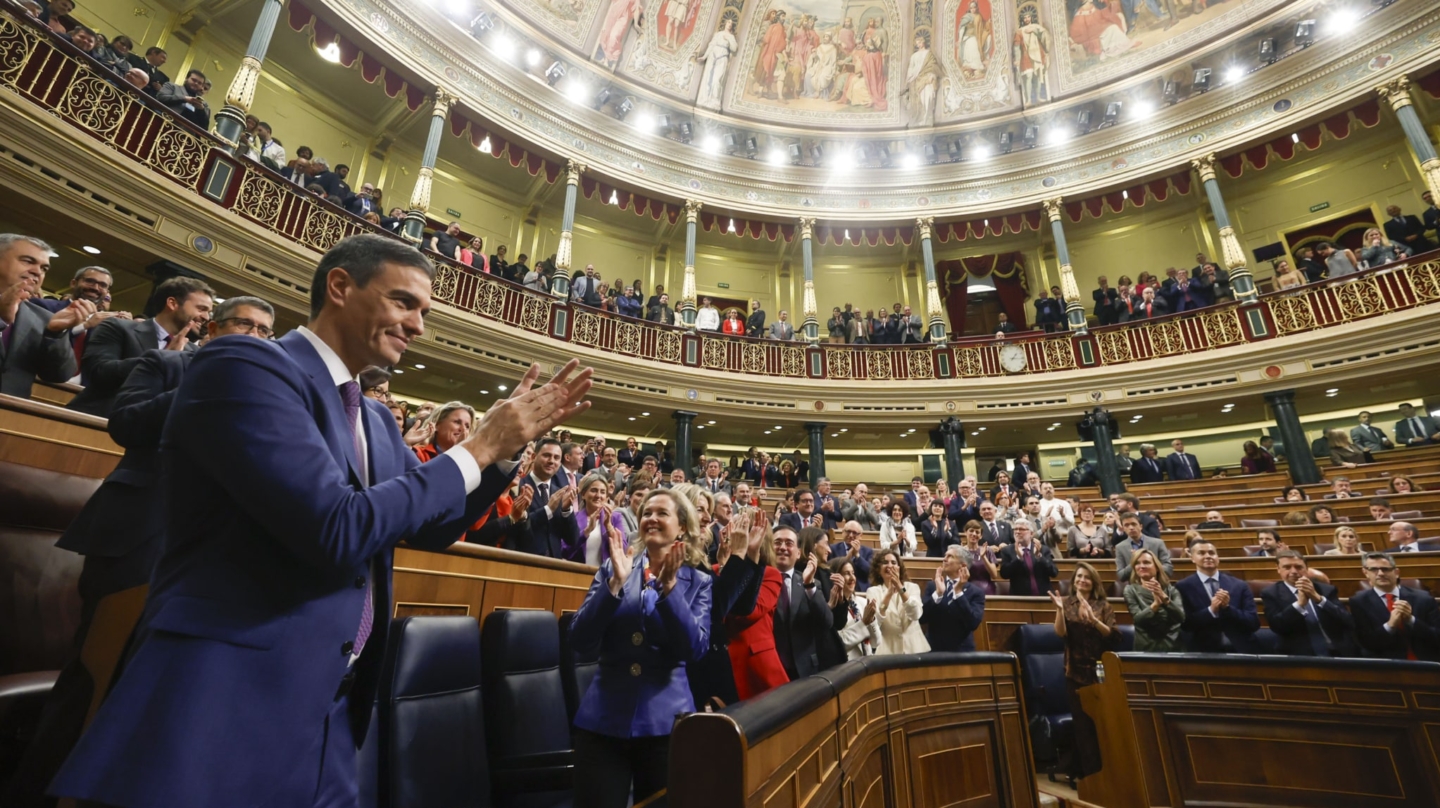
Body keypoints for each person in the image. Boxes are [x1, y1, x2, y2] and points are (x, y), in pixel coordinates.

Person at [51, 234, 591, 807]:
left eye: (425, 313)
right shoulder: (244, 365)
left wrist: (503, 453)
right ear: (339, 286)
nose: (418, 327)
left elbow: (433, 525)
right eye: (404, 303)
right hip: (224, 696)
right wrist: (478, 447)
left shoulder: (378, 423)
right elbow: (337, 529)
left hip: (333, 709)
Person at [4, 297, 276, 807]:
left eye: (267, 331)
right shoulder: (169, 364)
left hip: (212, 555)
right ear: (213, 330)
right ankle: (40, 794)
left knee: (164, 694)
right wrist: (209, 384)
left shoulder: (266, 392)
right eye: (247, 325)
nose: (257, 337)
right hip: (138, 536)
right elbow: (125, 424)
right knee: (95, 681)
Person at [568, 489, 710, 808]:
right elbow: (579, 639)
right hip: (603, 720)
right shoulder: (613, 568)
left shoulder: (699, 582)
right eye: (646, 513)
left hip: (665, 725)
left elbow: (695, 650)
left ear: (683, 527)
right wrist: (614, 585)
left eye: (662, 513)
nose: (651, 518)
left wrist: (670, 591)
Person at [1046, 561, 1115, 780]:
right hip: (1074, 670)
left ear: (1093, 582)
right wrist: (1059, 610)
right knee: (1083, 724)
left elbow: (1111, 635)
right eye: (1078, 577)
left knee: (1100, 722)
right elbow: (1060, 633)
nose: (1082, 580)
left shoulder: (1103, 605)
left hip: (1100, 670)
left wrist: (1094, 620)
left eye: (1086, 577)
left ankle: (1093, 768)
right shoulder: (1067, 603)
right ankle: (1091, 775)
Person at [0, 234, 89, 398]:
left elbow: (59, 375)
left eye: (44, 268)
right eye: (27, 261)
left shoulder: (43, 318)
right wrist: (2, 320)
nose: (37, 272)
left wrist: (56, 335)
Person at [1261, 550, 1357, 657]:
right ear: (1278, 569)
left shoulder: (1326, 590)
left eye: (1299, 567)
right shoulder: (1271, 593)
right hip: (1298, 654)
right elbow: (1277, 626)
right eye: (1287, 567)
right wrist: (1299, 605)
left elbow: (1347, 620)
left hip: (1336, 650)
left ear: (1306, 569)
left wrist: (1319, 599)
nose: (1294, 571)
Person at [1348, 552, 1440, 661]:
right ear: (1366, 573)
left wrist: (1411, 620)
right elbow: (1365, 643)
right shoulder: (1359, 602)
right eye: (1374, 569)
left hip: (1427, 662)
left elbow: (1437, 637)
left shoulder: (1424, 599)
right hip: (1387, 665)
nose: (1380, 573)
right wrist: (1389, 626)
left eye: (1385, 569)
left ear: (1396, 572)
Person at [769, 525, 833, 680]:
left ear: (798, 553)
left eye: (789, 543)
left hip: (805, 671)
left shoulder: (812, 583)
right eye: (777, 543)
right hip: (770, 668)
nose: (783, 547)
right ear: (769, 548)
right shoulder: (759, 582)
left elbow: (827, 622)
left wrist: (809, 585)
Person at [1175, 540, 1260, 652]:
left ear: (1217, 557)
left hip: (1240, 647)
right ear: (1192, 558)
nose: (1208, 556)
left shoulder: (1239, 585)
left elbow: (1253, 623)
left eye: (1211, 553)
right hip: (1202, 649)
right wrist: (1211, 610)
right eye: (1201, 553)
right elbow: (1185, 625)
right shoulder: (1183, 587)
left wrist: (1228, 608)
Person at [921, 546, 986, 652]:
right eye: (945, 555)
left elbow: (973, 623)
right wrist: (938, 593)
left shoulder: (976, 592)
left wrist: (959, 592)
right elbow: (922, 618)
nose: (944, 559)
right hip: (934, 650)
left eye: (950, 556)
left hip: (962, 651)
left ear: (963, 565)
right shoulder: (933, 586)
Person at [869, 549, 929, 654]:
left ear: (899, 568)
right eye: (885, 562)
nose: (890, 566)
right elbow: (875, 624)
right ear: (878, 570)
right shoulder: (873, 591)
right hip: (888, 651)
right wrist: (888, 596)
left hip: (914, 650)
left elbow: (915, 615)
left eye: (893, 562)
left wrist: (899, 587)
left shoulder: (912, 588)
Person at [1123, 549, 1184, 652]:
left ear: (1156, 567)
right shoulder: (1130, 590)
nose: (1141, 566)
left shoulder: (1172, 590)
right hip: (1145, 647)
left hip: (1173, 646)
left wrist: (1164, 598)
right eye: (1137, 563)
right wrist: (1155, 605)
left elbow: (1181, 617)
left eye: (1146, 562)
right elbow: (1138, 620)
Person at [829, 557, 880, 658]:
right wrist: (864, 622)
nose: (852, 578)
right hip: (847, 667)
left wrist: (871, 620)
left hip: (867, 663)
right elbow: (840, 644)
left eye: (853, 573)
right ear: (835, 578)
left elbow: (876, 642)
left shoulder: (863, 602)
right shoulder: (833, 607)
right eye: (847, 573)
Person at [999, 521, 1058, 596]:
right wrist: (1018, 558)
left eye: (1021, 529)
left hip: (1044, 596)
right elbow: (1004, 574)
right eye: (1015, 529)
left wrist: (1039, 556)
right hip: (1020, 598)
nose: (1017, 532)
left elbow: (1054, 573)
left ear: (1031, 533)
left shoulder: (1043, 549)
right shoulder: (1007, 550)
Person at [1114, 513, 1172, 582]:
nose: (1131, 528)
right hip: (1135, 588)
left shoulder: (1158, 543)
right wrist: (1134, 562)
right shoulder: (1120, 547)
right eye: (1126, 525)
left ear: (1141, 526)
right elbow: (1121, 576)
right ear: (1123, 529)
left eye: (1134, 524)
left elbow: (1169, 569)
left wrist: (1151, 569)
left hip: (1157, 582)